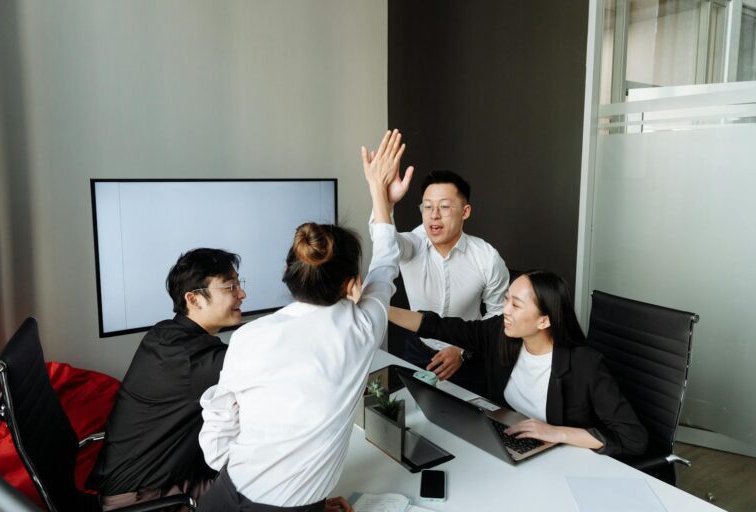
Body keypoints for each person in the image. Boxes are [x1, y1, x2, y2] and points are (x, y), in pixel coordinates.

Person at [196, 130, 409, 511]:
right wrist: (380, 195)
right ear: (351, 286)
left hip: (224, 496)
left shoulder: (248, 337)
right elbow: (386, 262)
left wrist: (274, 483)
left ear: (287, 270)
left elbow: (218, 434)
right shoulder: (360, 333)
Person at [388, 270, 648, 456]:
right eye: (506, 300)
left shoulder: (585, 365)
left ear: (544, 321)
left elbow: (634, 438)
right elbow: (440, 326)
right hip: (511, 444)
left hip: (563, 457)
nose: (506, 311)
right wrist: (381, 309)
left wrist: (557, 432)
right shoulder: (501, 335)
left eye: (516, 304)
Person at [88, 248, 246, 510]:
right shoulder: (188, 359)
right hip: (147, 499)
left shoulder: (166, 334)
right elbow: (265, 367)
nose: (242, 294)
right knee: (266, 489)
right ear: (194, 299)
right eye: (230, 287)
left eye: (239, 284)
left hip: (153, 483)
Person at [378, 169, 509, 395]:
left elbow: (498, 316)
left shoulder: (487, 258)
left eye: (444, 207)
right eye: (427, 207)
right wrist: (384, 201)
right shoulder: (412, 245)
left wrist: (460, 351)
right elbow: (384, 241)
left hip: (468, 354)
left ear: (465, 211)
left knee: (468, 422)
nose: (434, 215)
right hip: (419, 349)